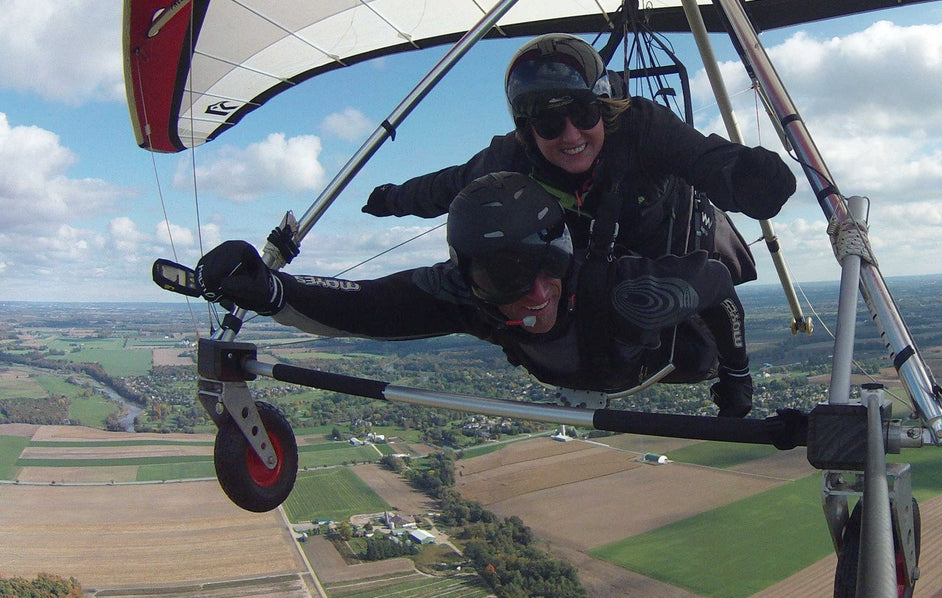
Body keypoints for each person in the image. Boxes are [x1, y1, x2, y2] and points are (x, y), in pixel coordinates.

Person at [197, 172, 756, 416]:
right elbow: (366, 306)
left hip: (671, 356)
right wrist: (271, 290)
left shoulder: (628, 292)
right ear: (472, 281)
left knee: (691, 339)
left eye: (549, 268)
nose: (537, 294)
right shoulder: (467, 294)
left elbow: (718, 286)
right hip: (579, 364)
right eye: (506, 280)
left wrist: (735, 376)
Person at [361, 33, 795, 285]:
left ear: (604, 110)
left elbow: (706, 159)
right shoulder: (512, 156)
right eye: (549, 124)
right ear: (529, 130)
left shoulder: (644, 127)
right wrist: (391, 199)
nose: (570, 135)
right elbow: (450, 186)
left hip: (666, 247)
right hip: (595, 266)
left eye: (584, 114)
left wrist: (753, 181)